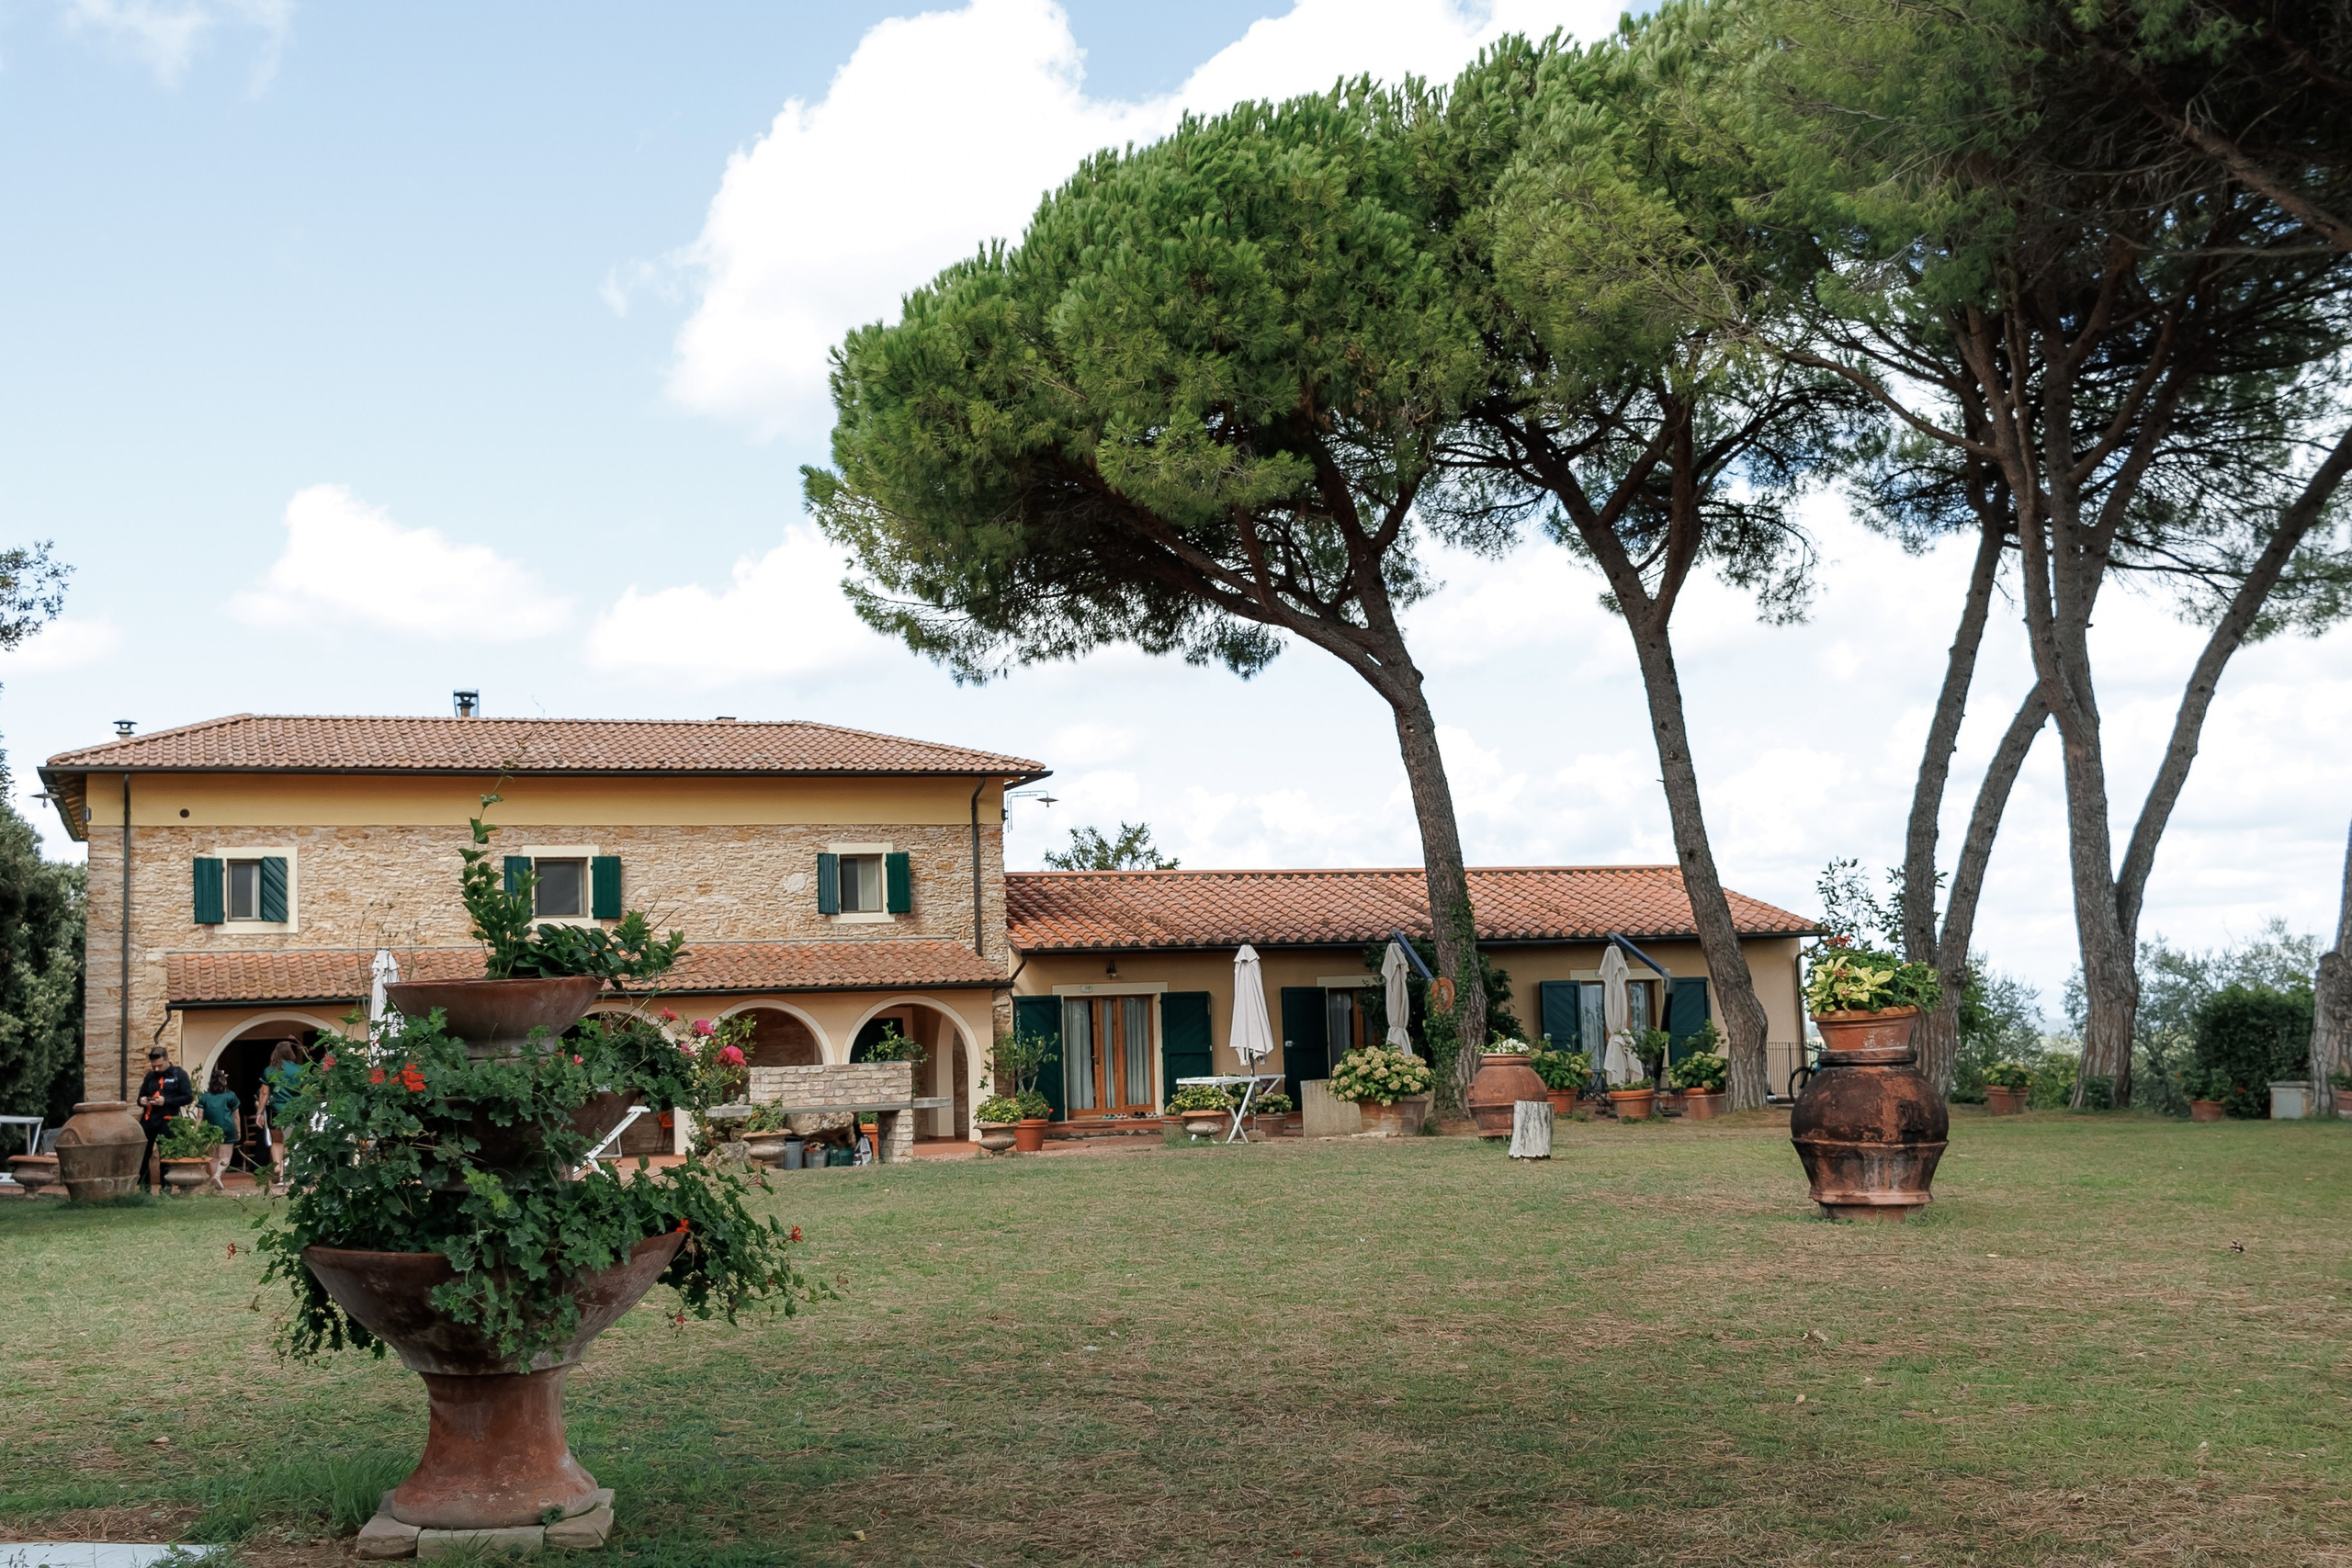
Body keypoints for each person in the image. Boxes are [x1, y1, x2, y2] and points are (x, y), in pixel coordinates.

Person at [135, 1045, 193, 1192]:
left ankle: (165, 1190)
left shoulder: (179, 1074)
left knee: (165, 1157)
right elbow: (140, 1096)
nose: (156, 1069)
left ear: (167, 1060)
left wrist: (166, 1101)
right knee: (143, 1155)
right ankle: (144, 1189)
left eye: (159, 1065)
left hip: (168, 1121)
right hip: (149, 1120)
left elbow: (188, 1097)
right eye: (154, 1066)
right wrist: (142, 1100)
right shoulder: (150, 1076)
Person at [256, 1040, 304, 1194]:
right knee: (292, 1142)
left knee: (277, 1141)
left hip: (276, 1110)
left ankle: (278, 1169)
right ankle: (291, 1175)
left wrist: (259, 1113)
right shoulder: (299, 1070)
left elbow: (264, 1092)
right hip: (295, 1111)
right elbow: (306, 1090)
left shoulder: (270, 1070)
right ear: (291, 1054)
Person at [196, 1067, 241, 1193]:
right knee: (225, 1156)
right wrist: (238, 1130)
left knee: (213, 1157)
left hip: (210, 1130)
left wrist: (197, 1131)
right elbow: (236, 1116)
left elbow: (199, 1116)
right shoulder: (231, 1096)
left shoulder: (205, 1097)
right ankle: (218, 1175)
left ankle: (215, 1179)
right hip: (227, 1128)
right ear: (224, 1082)